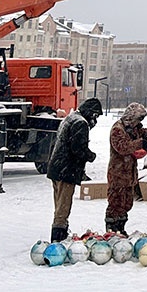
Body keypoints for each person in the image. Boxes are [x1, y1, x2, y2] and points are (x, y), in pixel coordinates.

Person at [45, 96, 102, 242]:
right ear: (90, 112)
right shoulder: (80, 123)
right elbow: (78, 149)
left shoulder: (70, 118)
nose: (95, 120)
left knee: (58, 204)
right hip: (67, 170)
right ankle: (58, 237)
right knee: (63, 207)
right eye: (95, 116)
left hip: (56, 168)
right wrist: (90, 156)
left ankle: (60, 231)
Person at [105, 102, 147, 234]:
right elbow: (123, 147)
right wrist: (140, 143)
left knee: (127, 203)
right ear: (131, 117)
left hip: (129, 172)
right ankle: (112, 229)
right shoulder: (118, 129)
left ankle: (121, 227)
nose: (139, 122)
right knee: (116, 203)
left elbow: (139, 133)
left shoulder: (132, 128)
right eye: (138, 119)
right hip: (118, 172)